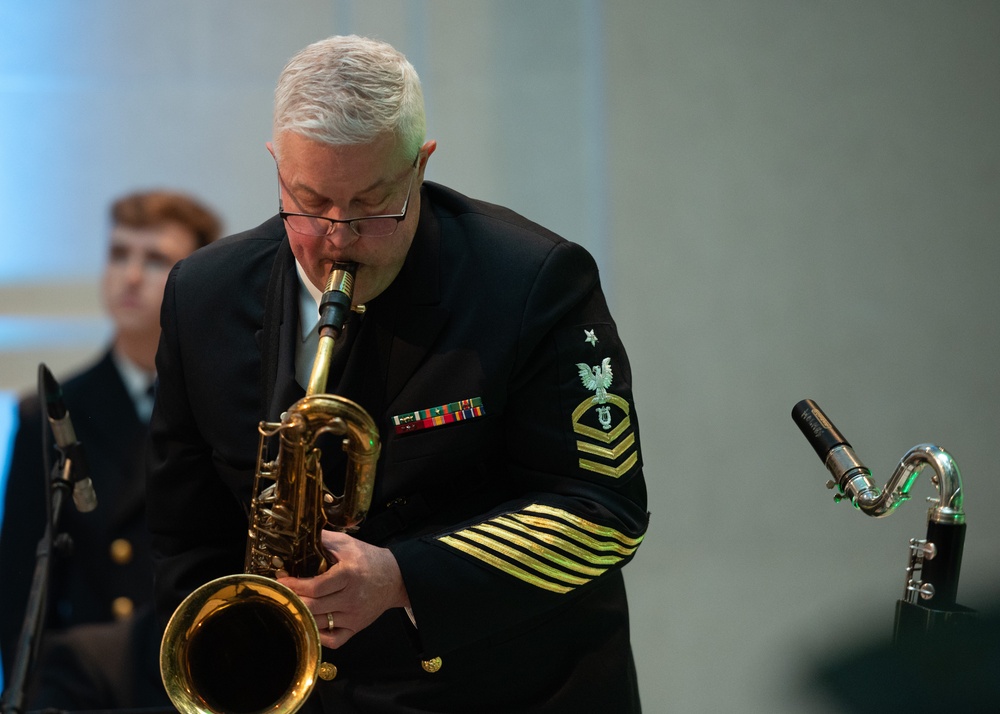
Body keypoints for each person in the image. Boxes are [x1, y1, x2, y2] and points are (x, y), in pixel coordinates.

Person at [148, 34, 648, 714]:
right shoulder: (201, 293)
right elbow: (182, 528)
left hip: (508, 691)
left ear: (420, 164)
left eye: (373, 203)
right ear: (277, 165)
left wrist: (402, 576)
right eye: (310, 200)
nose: (338, 237)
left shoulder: (532, 280)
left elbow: (604, 512)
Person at [0, 190, 221, 704]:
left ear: (197, 281)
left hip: (197, 679)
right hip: (91, 685)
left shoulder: (226, 405)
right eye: (119, 254)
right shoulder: (53, 413)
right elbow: (21, 595)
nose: (132, 275)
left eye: (157, 259)